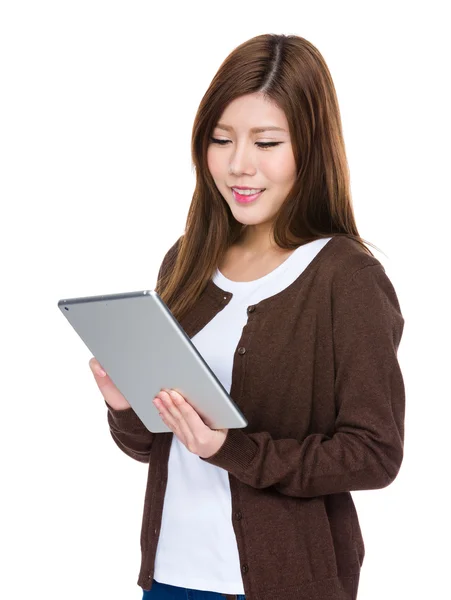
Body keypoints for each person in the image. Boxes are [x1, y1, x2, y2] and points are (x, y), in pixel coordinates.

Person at [89, 33, 405, 600]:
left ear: (310, 148)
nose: (239, 165)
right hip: (170, 577)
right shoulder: (186, 261)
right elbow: (156, 445)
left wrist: (230, 449)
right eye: (220, 139)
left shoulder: (345, 278)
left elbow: (373, 454)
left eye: (266, 142)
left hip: (281, 584)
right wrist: (125, 403)